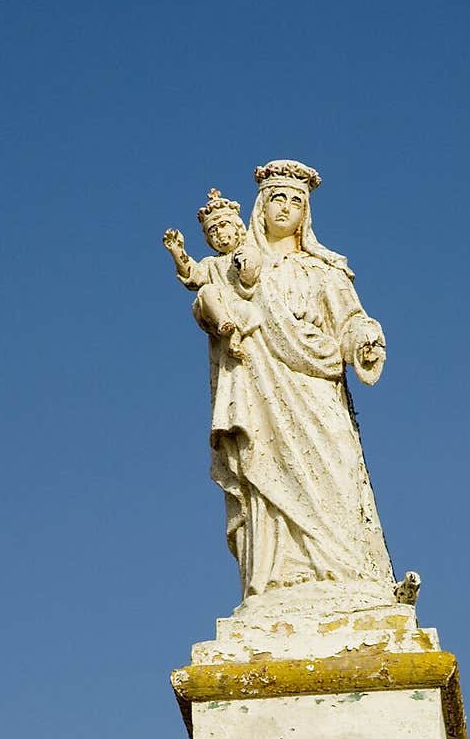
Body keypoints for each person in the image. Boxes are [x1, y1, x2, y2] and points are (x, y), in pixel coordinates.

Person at [203, 159, 395, 604]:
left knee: (335, 473)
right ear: (261, 206)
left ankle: (348, 573)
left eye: (295, 200)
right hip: (262, 388)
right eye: (277, 198)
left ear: (306, 212)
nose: (286, 207)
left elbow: (349, 320)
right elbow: (210, 306)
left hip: (314, 389)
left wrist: (364, 338)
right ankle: (279, 576)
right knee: (265, 470)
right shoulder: (237, 269)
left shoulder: (322, 270)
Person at [163, 189, 261, 360]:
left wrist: (245, 263)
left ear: (237, 226)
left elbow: (250, 277)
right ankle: (227, 326)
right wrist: (178, 251)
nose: (218, 233)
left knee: (221, 299)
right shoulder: (210, 263)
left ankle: (234, 336)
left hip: (243, 307)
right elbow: (193, 277)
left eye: (223, 225)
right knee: (206, 291)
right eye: (212, 231)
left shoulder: (249, 250)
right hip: (219, 310)